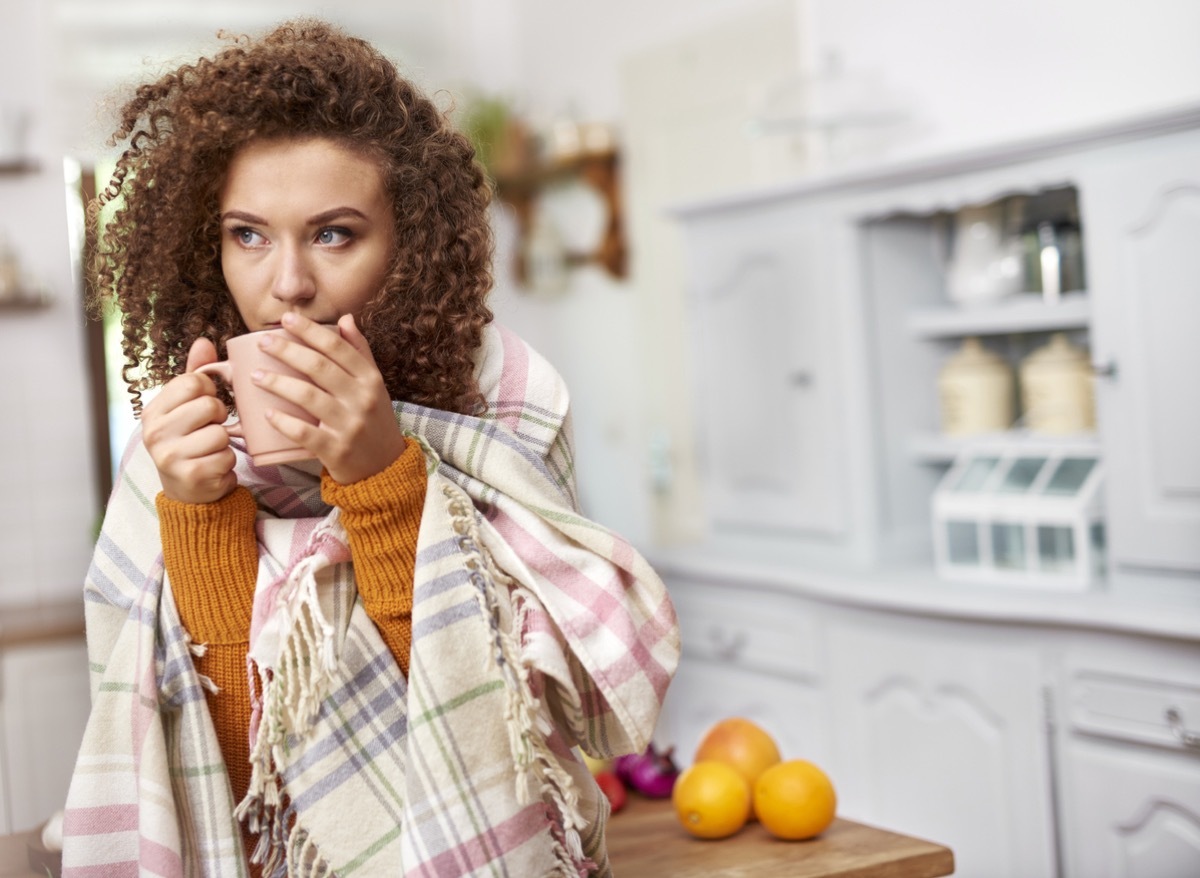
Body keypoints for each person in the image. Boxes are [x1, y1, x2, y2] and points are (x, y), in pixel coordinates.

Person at [63, 19, 679, 878]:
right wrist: (200, 514)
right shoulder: (178, 440)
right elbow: (230, 778)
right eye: (247, 234)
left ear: (410, 248)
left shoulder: (509, 404)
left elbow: (497, 736)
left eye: (334, 233)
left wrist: (383, 480)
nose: (287, 286)